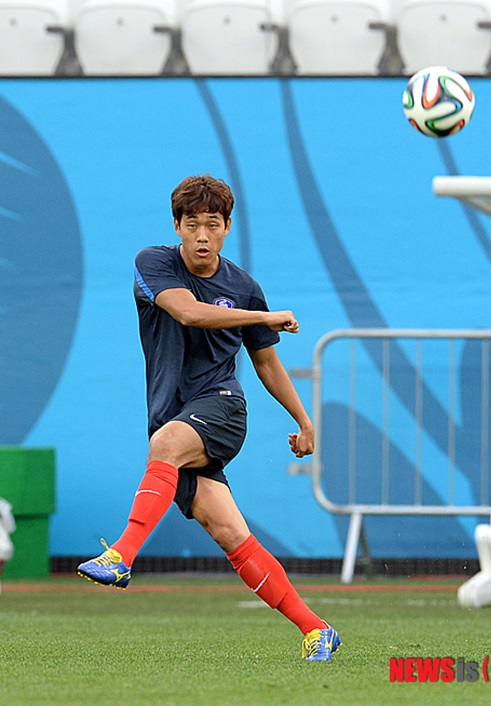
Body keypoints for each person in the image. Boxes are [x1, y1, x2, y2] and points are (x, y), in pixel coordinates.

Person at [77, 175, 341, 661]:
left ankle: (120, 557)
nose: (202, 235)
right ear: (177, 225)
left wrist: (305, 421)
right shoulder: (153, 263)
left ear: (227, 227)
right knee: (230, 535)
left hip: (222, 408)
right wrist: (263, 317)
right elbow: (190, 313)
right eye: (193, 224)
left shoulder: (244, 287)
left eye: (212, 224)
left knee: (164, 447)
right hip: (173, 417)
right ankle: (316, 629)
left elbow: (266, 363)